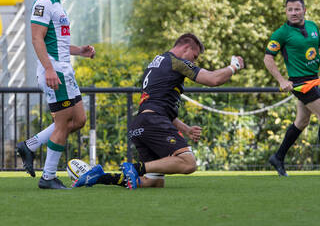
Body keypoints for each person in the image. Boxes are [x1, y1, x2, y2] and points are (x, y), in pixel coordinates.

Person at [73, 33, 244, 189]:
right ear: (186, 48)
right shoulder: (176, 62)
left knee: (154, 181)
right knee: (188, 163)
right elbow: (213, 79)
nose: (194, 62)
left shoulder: (156, 63)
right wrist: (234, 67)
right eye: (194, 56)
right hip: (153, 123)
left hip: (141, 124)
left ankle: (101, 177)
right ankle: (135, 167)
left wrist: (187, 129)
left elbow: (159, 106)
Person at [16, 0, 95, 189]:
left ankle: (29, 146)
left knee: (78, 120)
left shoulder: (56, 4)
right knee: (63, 123)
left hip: (64, 70)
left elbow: (57, 43)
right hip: (55, 72)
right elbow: (37, 39)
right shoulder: (43, 2)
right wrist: (49, 69)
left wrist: (80, 51)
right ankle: (48, 177)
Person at [264, 0, 320, 177]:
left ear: (304, 10)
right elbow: (268, 58)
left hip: (315, 79)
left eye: (297, 9)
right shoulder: (281, 33)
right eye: (290, 10)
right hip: (301, 84)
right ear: (286, 12)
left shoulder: (313, 26)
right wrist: (281, 80)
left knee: (302, 121)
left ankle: (278, 157)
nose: (293, 13)